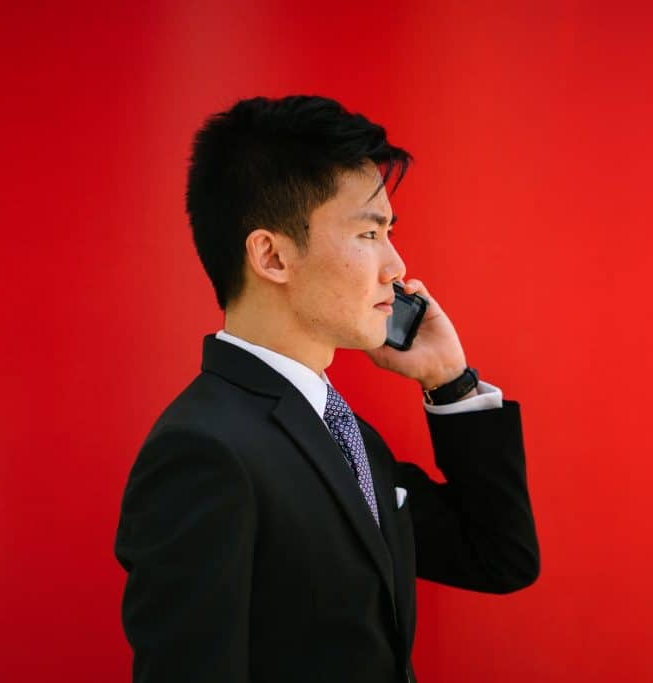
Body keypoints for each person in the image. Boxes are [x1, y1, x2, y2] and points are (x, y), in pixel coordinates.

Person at [113, 94, 539, 683]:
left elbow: (499, 558)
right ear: (272, 256)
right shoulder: (204, 451)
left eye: (390, 232)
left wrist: (449, 383)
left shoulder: (341, 431)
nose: (396, 266)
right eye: (368, 234)